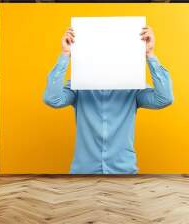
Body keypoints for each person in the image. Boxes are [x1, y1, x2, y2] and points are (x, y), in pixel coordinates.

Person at [43, 26, 174, 174]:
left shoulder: (133, 87)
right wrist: (65, 55)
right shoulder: (78, 86)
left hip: (124, 172)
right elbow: (52, 99)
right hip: (83, 173)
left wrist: (150, 54)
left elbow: (164, 98)